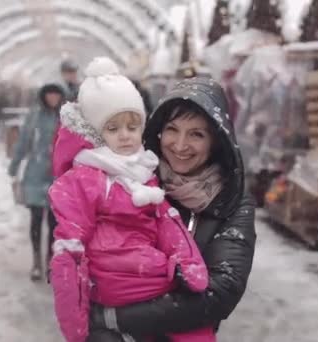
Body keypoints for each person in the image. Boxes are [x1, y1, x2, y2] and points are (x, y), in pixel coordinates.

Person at [49, 57, 214, 342]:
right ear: (96, 134)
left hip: (145, 272)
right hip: (118, 278)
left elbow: (165, 222)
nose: (125, 136)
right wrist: (76, 327)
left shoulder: (140, 169)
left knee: (192, 327)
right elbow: (69, 251)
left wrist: (187, 263)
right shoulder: (87, 177)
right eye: (113, 129)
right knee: (190, 326)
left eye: (132, 126)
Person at [85, 76, 257, 341]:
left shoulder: (231, 201)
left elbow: (221, 292)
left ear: (216, 140)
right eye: (172, 130)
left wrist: (114, 318)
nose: (179, 145)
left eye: (196, 134)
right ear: (158, 130)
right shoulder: (132, 180)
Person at [8, 83, 64, 281]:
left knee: (54, 221)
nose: (52, 98)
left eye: (56, 95)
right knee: (36, 219)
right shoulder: (34, 116)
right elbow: (23, 142)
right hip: (35, 173)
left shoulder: (66, 117)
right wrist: (14, 166)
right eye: (49, 95)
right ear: (43, 96)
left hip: (58, 175)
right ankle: (36, 261)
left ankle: (50, 260)